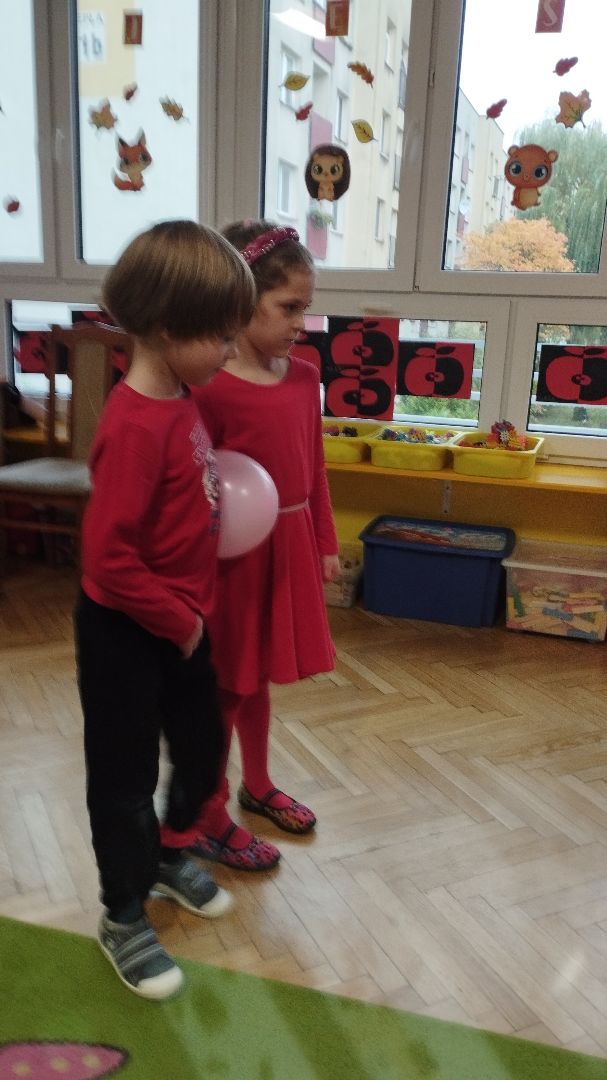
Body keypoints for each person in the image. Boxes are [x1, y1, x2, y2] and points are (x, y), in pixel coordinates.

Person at [74, 220, 256, 999]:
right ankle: (122, 912)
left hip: (181, 622)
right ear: (166, 330)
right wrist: (179, 622)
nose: (230, 350)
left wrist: (190, 618)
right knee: (124, 776)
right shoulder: (132, 426)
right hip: (126, 628)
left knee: (202, 744)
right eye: (219, 336)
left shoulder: (183, 397)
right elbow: (107, 561)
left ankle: (169, 852)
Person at [161, 219, 341, 872]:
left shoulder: (304, 375)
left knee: (256, 675)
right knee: (227, 687)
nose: (301, 323)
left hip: (287, 543)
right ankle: (206, 812)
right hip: (232, 560)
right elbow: (194, 484)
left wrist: (324, 539)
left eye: (305, 308)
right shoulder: (210, 385)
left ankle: (257, 785)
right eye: (288, 307)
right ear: (241, 302)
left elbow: (314, 467)